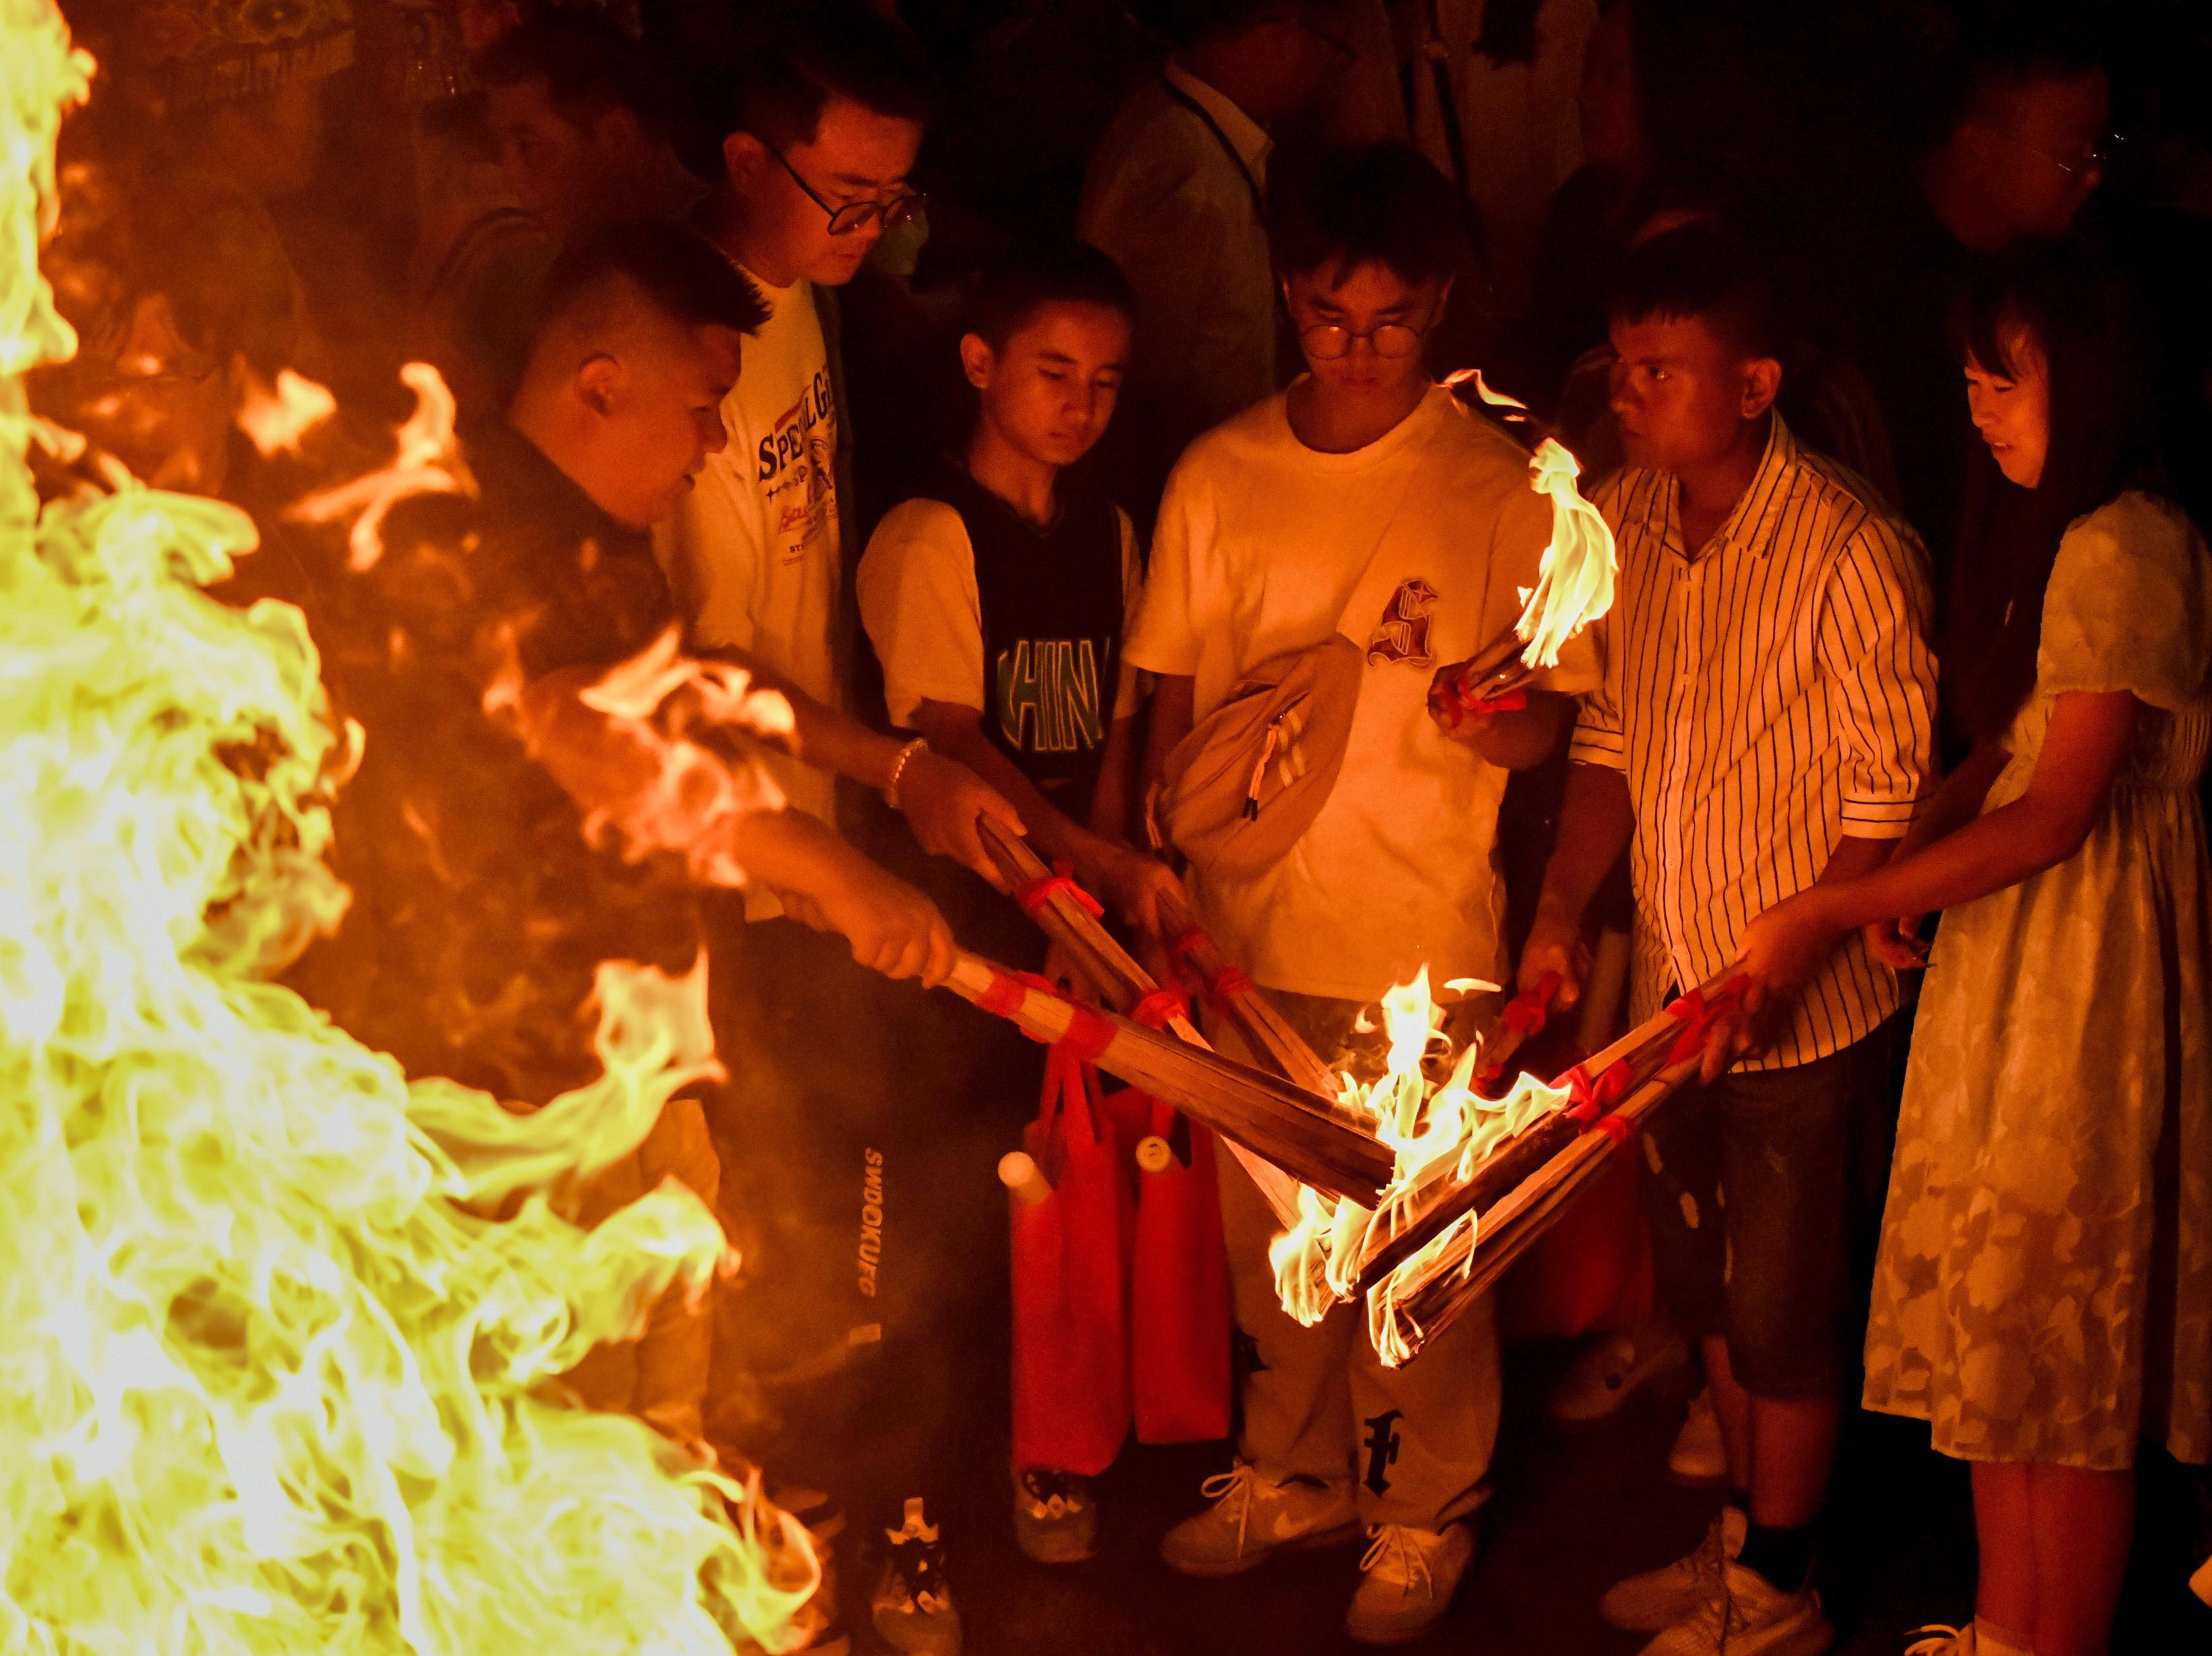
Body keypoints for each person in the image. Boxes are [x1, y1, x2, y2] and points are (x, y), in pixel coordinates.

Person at [276, 223, 977, 1451]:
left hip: (619, 1057)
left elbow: (681, 687)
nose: (715, 445)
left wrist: (888, 767)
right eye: (705, 407)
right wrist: (828, 867)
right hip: (516, 1092)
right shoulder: (490, 525)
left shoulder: (584, 531)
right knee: (564, 1436)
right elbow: (577, 727)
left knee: (661, 1411)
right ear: (600, 384)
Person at [1127, 142, 1594, 1645]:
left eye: (1392, 320)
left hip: (1422, 938)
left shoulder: (1500, 489)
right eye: (1333, 315)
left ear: (1440, 306)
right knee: (1272, 1246)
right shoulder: (1220, 474)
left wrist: (1488, 719)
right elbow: (1174, 709)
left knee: (1417, 1248)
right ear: (1289, 295)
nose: (1360, 345)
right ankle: (1293, 1467)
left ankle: (1418, 1505)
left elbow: (1550, 722)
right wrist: (1157, 870)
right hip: (1251, 936)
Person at [1736, 249, 2210, 1656]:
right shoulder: (2061, 539)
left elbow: (2059, 811)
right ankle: (2009, 1621)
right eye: (1968, 378)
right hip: (2021, 971)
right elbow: (2007, 752)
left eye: (2005, 376)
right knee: (2008, 1328)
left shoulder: (2128, 540)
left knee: (2060, 1335)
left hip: (2084, 975)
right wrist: (1902, 861)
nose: (1979, 403)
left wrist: (1824, 906)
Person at [1519, 224, 1937, 1655]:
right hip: (1676, 995)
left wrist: (1788, 959)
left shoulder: (1851, 552)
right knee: (1703, 1291)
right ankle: (1745, 1544)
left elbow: (1884, 807)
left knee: (1782, 1313)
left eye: (1655, 369)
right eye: (1619, 364)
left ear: (1753, 382)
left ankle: (1781, 1590)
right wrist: (1566, 913)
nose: (1623, 394)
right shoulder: (1629, 518)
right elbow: (1611, 731)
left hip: (1798, 1025)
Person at [857, 238, 1182, 1577]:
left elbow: (1110, 724)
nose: (1080, 405)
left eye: (1105, 380)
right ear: (980, 364)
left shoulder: (1107, 529)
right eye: (1052, 372)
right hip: (945, 943)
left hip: (1066, 931)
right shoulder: (928, 533)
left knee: (1047, 1214)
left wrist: (1102, 862)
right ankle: (907, 1513)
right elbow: (953, 741)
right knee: (922, 1235)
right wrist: (1071, 874)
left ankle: (1041, 1452)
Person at [1076, 0, 1356, 524]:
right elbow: (1146, 390)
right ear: (1282, 30)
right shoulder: (1186, 167)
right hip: (1187, 509)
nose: (1326, 79)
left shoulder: (1180, 128)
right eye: (1331, 51)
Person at [1855, 9, 2110, 586]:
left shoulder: (2079, 289)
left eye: (2103, 148)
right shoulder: (1887, 303)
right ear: (1973, 154)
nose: (2094, 176)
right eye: (2073, 154)